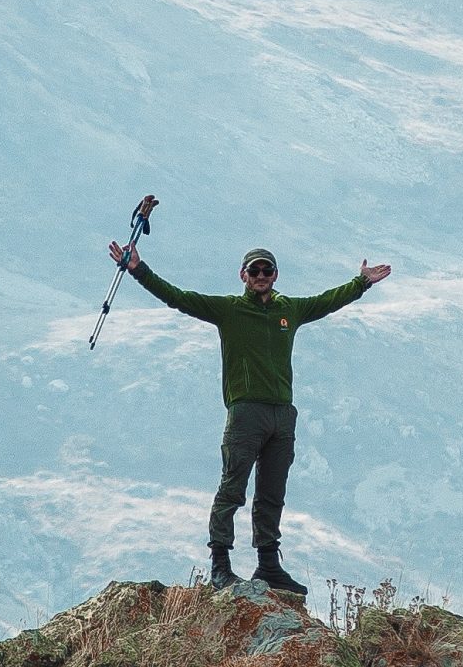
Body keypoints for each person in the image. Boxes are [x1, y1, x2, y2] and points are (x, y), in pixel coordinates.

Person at [106, 237, 392, 593]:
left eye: (266, 270)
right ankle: (220, 566)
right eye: (253, 270)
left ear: (275, 275)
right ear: (242, 275)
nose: (260, 275)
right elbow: (177, 298)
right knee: (233, 488)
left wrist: (360, 283)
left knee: (272, 493)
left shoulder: (290, 309)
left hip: (282, 415)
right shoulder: (228, 310)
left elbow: (325, 302)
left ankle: (268, 567)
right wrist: (138, 270)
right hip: (245, 413)